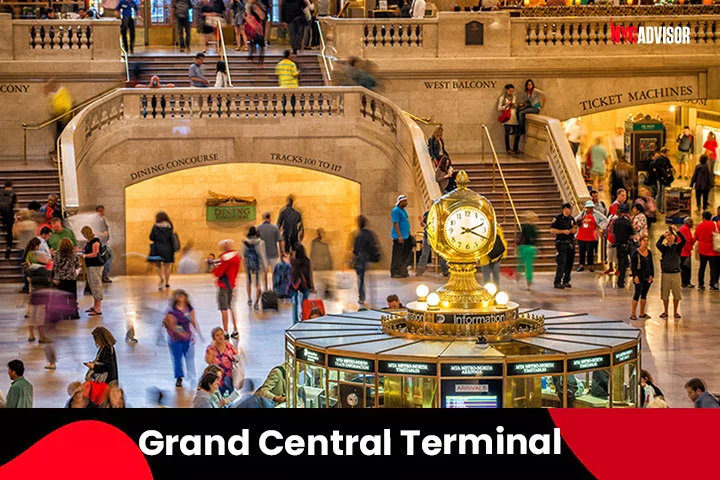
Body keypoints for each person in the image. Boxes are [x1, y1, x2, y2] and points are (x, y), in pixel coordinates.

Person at [164, 289, 200, 388]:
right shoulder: (172, 311)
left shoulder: (189, 308)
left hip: (187, 336)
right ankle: (179, 377)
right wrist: (181, 333)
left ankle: (192, 376)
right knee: (177, 357)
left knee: (189, 357)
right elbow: (172, 325)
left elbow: (193, 320)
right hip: (175, 338)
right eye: (178, 296)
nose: (180, 298)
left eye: (182, 296)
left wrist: (197, 333)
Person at [211, 239, 241, 338]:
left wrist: (214, 268)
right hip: (232, 285)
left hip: (224, 285)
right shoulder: (236, 257)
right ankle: (235, 330)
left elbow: (218, 273)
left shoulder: (225, 258)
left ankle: (225, 331)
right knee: (232, 307)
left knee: (224, 309)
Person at [656, 227, 686, 319]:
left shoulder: (677, 247)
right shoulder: (664, 248)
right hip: (666, 273)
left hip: (676, 273)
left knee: (676, 293)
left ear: (675, 237)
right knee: (665, 293)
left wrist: (677, 231)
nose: (670, 237)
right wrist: (662, 236)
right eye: (668, 235)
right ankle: (665, 311)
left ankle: (676, 311)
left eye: (671, 235)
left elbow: (684, 240)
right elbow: (657, 244)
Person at [352, 215, 381, 304]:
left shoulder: (358, 235)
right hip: (368, 259)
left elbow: (355, 250)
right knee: (370, 280)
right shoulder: (369, 234)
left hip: (361, 259)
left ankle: (362, 297)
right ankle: (373, 298)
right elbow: (373, 245)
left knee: (361, 280)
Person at [205, 326, 242, 395]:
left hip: (229, 377)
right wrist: (211, 350)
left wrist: (236, 358)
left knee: (230, 397)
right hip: (217, 379)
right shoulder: (210, 348)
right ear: (214, 338)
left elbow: (235, 357)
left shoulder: (229, 346)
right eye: (217, 335)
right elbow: (209, 362)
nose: (220, 337)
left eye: (221, 334)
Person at [575, 200, 607, 273]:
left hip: (591, 236)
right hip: (581, 235)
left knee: (590, 251)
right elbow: (575, 219)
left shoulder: (597, 214)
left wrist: (600, 226)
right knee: (582, 251)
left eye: (591, 208)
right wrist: (578, 220)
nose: (590, 209)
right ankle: (581, 265)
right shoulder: (583, 213)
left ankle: (590, 265)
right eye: (588, 208)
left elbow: (605, 220)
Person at [52, 237, 80, 320]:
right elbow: (77, 265)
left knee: (62, 297)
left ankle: (64, 314)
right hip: (71, 277)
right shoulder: (74, 254)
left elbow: (55, 266)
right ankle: (74, 314)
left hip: (60, 278)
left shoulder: (57, 253)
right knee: (72, 296)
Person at [551, 203, 577, 289]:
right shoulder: (557, 218)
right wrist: (563, 231)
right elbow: (552, 230)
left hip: (571, 242)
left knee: (570, 262)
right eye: (569, 209)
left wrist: (574, 230)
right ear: (565, 209)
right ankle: (557, 281)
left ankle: (566, 280)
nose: (571, 211)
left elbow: (575, 227)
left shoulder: (571, 218)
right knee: (562, 262)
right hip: (562, 242)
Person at [149, 211, 176, 290]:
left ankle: (161, 278)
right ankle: (167, 283)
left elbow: (151, 237)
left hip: (157, 248)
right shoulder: (170, 226)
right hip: (168, 248)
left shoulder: (155, 226)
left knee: (157, 265)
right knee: (167, 266)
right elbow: (171, 237)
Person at [416, 210, 447, 277]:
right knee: (424, 254)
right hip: (427, 236)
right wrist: (421, 222)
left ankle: (445, 271)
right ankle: (420, 271)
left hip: (437, 237)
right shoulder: (427, 213)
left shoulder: (440, 214)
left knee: (440, 254)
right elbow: (423, 225)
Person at [81, 226, 104, 316]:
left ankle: (98, 308)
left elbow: (95, 254)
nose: (84, 236)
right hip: (90, 266)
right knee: (92, 285)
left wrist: (84, 256)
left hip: (96, 266)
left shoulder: (95, 241)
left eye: (84, 234)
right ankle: (94, 306)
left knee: (96, 285)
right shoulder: (89, 241)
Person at [694, 211, 720, 291]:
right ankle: (713, 284)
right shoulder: (716, 225)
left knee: (702, 267)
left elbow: (696, 237)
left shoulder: (700, 226)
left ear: (703, 217)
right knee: (714, 268)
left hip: (703, 250)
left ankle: (701, 284)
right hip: (714, 250)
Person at [257, 212, 283, 291]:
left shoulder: (259, 228)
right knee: (274, 272)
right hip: (273, 253)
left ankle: (265, 289)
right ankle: (274, 288)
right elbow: (280, 241)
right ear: (270, 218)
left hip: (262, 254)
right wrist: (282, 252)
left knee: (264, 272)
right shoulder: (275, 228)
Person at [630, 235, 653, 320]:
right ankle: (633, 313)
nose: (646, 242)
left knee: (644, 294)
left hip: (647, 276)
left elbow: (651, 264)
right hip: (639, 276)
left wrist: (651, 275)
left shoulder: (649, 252)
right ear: (640, 242)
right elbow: (633, 266)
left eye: (647, 240)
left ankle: (642, 312)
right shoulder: (635, 253)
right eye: (644, 240)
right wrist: (635, 276)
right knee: (637, 293)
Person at [243, 226, 267, 310]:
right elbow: (262, 254)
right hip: (257, 264)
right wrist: (265, 266)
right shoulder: (260, 242)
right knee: (258, 283)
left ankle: (249, 298)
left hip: (248, 264)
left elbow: (243, 254)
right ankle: (257, 302)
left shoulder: (245, 242)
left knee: (248, 281)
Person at [290, 243, 314, 324]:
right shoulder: (307, 261)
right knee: (305, 302)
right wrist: (311, 285)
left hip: (295, 284)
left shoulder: (293, 261)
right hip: (305, 284)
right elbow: (310, 274)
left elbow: (291, 274)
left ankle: (295, 321)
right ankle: (305, 317)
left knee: (295, 303)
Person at [390, 194, 412, 278]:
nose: (406, 203)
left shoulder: (403, 210)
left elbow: (405, 221)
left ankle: (402, 271)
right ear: (400, 202)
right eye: (404, 201)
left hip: (406, 236)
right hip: (399, 236)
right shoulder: (396, 210)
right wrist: (399, 236)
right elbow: (396, 223)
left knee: (404, 255)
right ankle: (394, 271)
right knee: (397, 255)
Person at [612, 203, 634, 289]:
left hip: (618, 245)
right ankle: (621, 280)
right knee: (624, 263)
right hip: (626, 244)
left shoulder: (616, 221)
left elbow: (614, 232)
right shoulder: (627, 222)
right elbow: (631, 233)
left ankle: (620, 280)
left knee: (620, 262)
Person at [517, 211, 539, 290]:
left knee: (521, 262)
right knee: (529, 266)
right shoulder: (534, 228)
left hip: (524, 247)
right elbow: (537, 239)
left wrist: (517, 245)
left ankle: (519, 273)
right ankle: (528, 282)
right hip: (532, 248)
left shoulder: (523, 227)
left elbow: (521, 237)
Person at [497, 84, 520, 154]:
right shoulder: (502, 98)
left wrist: (515, 105)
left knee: (517, 133)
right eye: (510, 91)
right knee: (507, 133)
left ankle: (515, 148)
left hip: (513, 117)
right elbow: (499, 108)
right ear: (506, 90)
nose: (511, 92)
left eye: (512, 91)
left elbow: (515, 107)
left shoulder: (514, 97)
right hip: (507, 118)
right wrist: (507, 104)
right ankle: (508, 149)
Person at [94, 205, 113, 283]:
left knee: (108, 257)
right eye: (99, 211)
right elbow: (93, 231)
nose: (101, 212)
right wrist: (101, 234)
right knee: (106, 257)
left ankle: (104, 274)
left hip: (104, 242)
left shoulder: (103, 220)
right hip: (99, 243)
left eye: (102, 211)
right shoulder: (95, 221)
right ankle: (104, 275)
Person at [245, 0, 266, 65]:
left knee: (261, 45)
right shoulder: (249, 7)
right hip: (253, 29)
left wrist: (259, 11)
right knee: (253, 44)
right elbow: (247, 17)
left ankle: (260, 61)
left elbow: (263, 17)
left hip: (260, 29)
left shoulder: (260, 6)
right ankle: (250, 57)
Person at [0, 181, 17, 260]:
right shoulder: (13, 193)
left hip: (2, 214)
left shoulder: (1, 193)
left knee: (5, 228)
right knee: (9, 231)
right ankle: (9, 246)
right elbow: (15, 204)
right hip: (10, 214)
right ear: (11, 186)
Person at [679, 217, 696, 288]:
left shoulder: (684, 228)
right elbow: (687, 241)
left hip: (682, 251)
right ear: (686, 222)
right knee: (686, 268)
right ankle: (686, 282)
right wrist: (695, 238)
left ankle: (684, 282)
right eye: (691, 222)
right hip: (685, 252)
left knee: (683, 268)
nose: (692, 223)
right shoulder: (685, 229)